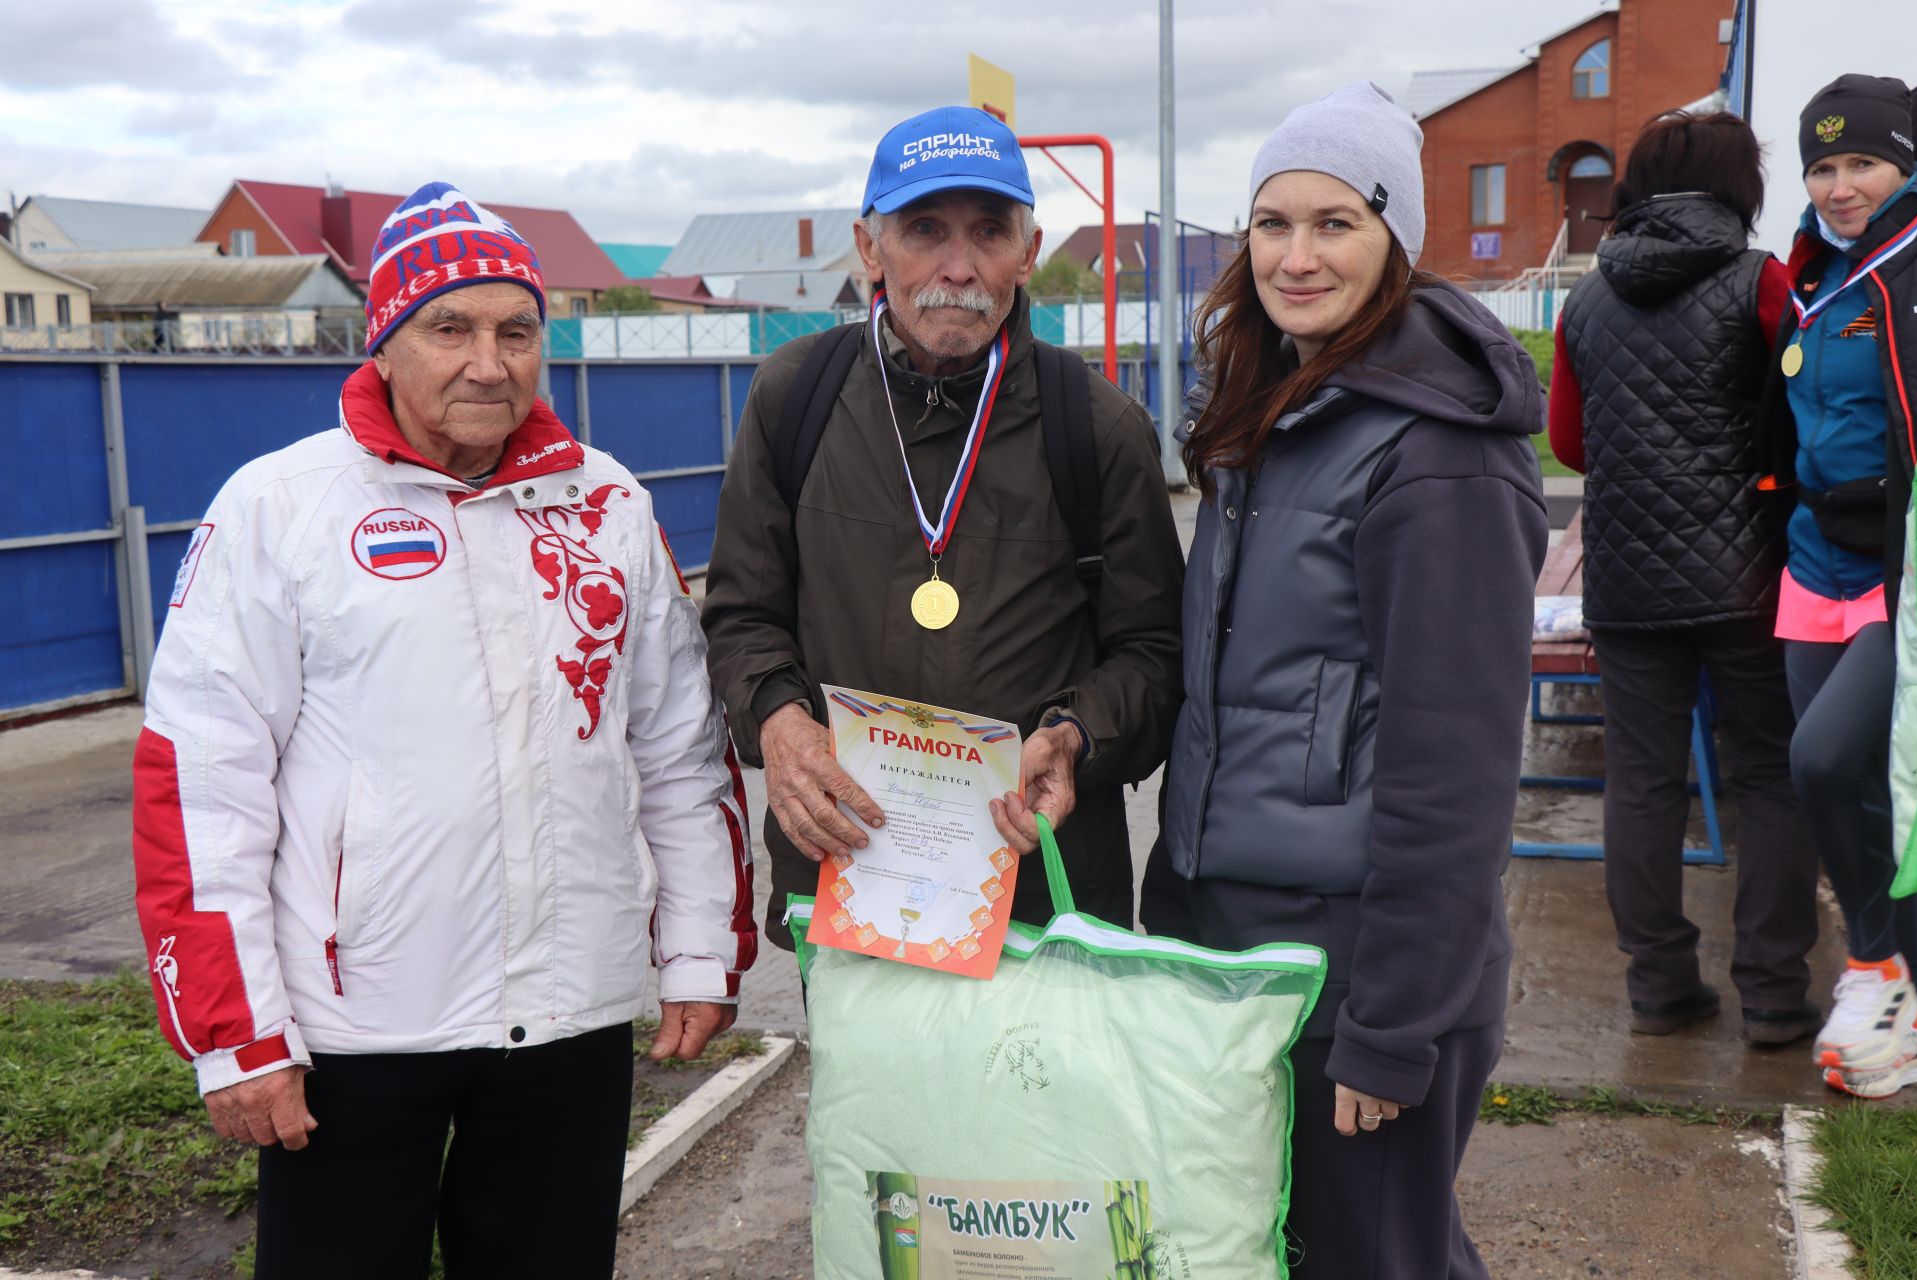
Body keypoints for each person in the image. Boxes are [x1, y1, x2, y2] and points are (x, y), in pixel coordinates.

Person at [130, 183, 756, 1278]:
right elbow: (200, 783)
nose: (488, 360)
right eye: (450, 327)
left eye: (517, 330)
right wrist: (238, 1035)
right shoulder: (280, 509)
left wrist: (702, 951)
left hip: (571, 1015)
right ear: (385, 342)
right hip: (353, 1029)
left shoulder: (605, 504)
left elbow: (679, 751)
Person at [1141, 83, 1547, 1278]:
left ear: (1397, 243)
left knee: (1379, 1258)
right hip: (1240, 944)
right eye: (1273, 223)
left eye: (1336, 222)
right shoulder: (1274, 415)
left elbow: (1456, 768)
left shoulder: (1440, 459)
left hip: (1358, 967)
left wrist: (1393, 1024)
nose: (1297, 255)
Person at [701, 106, 1184, 949]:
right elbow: (742, 616)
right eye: (924, 229)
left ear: (1028, 252)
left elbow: (1154, 653)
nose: (957, 268)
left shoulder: (1097, 426)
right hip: (849, 874)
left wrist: (1076, 738)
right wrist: (778, 722)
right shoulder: (795, 398)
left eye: (989, 232)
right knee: (865, 1090)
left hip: (1041, 894)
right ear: (869, 246)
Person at [1548, 111, 1821, 1046]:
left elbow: (1570, 445)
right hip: (1750, 575)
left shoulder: (1584, 302)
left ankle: (1660, 982)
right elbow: (1809, 406)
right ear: (1739, 186)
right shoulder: (1761, 280)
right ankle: (1776, 992)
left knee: (1642, 782)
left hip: (1626, 583)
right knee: (1774, 776)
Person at [1757, 74, 1917, 1099]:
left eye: (1861, 160)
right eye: (1822, 165)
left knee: (1824, 761)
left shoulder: (1909, 267)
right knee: (1842, 787)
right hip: (1814, 559)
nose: (1840, 183)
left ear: (1903, 162)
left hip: (1901, 569)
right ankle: (1887, 972)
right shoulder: (1815, 274)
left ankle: (1878, 966)